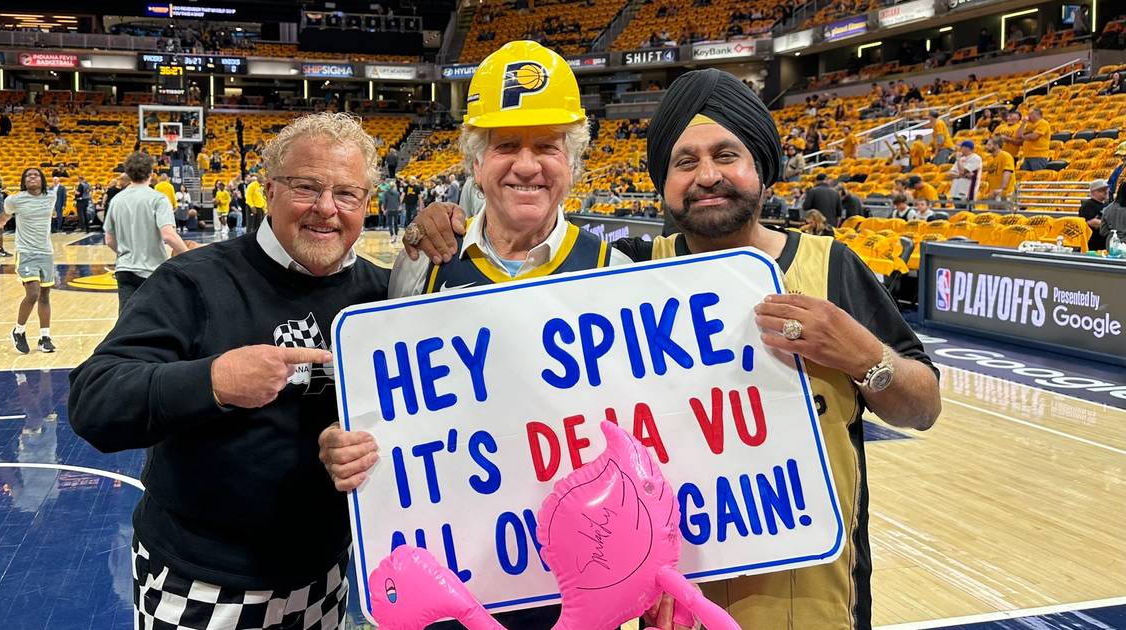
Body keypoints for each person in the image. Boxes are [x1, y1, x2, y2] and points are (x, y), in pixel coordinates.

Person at [402, 67, 942, 630]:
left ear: (761, 166)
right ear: (664, 181)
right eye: (685, 162)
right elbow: (526, 277)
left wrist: (864, 358)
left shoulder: (834, 268)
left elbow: (922, 408)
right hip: (671, 607)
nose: (707, 176)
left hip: (814, 608)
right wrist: (438, 228)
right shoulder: (629, 271)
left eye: (726, 155)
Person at [319, 40, 630, 630]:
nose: (527, 165)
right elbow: (388, 411)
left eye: (547, 146)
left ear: (574, 161)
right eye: (506, 145)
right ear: (475, 161)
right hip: (445, 583)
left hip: (579, 587)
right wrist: (352, 446)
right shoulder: (422, 263)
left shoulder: (614, 274)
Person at [68, 112, 389, 630]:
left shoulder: (383, 294)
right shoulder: (192, 281)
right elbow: (93, 401)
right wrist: (212, 381)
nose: (327, 209)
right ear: (266, 191)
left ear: (366, 204)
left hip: (324, 573)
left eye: (347, 194)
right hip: (197, 579)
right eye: (306, 187)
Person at [104, 152, 190, 312]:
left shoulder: (116, 200)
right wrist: (188, 255)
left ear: (128, 173)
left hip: (125, 269)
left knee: (127, 323)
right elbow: (168, 235)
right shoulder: (158, 199)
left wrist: (126, 253)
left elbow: (109, 240)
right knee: (157, 321)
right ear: (151, 172)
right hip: (152, 271)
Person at [0, 168, 59, 354]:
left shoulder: (51, 196)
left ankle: (44, 337)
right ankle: (19, 331)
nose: (32, 177)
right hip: (26, 252)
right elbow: (3, 218)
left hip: (46, 252)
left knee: (45, 296)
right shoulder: (14, 200)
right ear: (23, 181)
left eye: (35, 174)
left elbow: (52, 212)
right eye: (28, 175)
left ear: (42, 180)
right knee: (33, 293)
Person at [1080, 178, 1110, 251]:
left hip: (1104, 243)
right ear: (1093, 192)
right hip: (1093, 245)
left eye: (1106, 189)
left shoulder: (1107, 204)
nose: (1105, 192)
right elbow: (1090, 222)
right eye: (1101, 190)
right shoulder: (1088, 205)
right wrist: (1109, 224)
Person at [984, 137, 1016, 203]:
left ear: (996, 145)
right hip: (993, 194)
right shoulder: (990, 159)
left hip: (1004, 194)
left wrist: (1002, 189)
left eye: (989, 145)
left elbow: (1007, 172)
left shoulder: (1005, 156)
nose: (986, 147)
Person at [380, 178, 402, 243]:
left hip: (389, 209)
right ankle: (396, 236)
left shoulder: (386, 193)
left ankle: (392, 236)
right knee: (395, 223)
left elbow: (384, 202)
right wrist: (399, 207)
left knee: (390, 224)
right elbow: (399, 201)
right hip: (396, 209)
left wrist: (384, 209)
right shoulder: (397, 193)